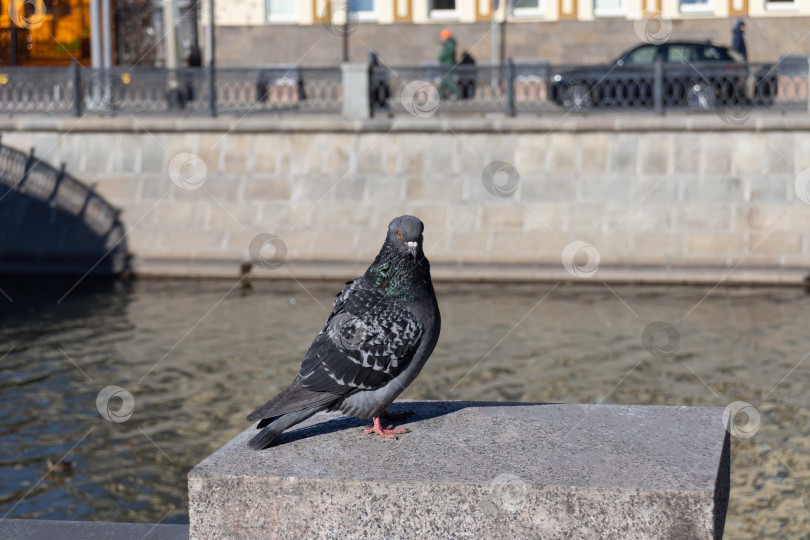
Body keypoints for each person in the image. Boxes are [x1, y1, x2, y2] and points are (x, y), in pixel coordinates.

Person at [438, 28, 460, 100]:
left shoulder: (448, 46)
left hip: (447, 65)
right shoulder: (450, 45)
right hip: (448, 65)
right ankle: (438, 94)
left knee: (447, 79)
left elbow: (441, 56)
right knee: (444, 80)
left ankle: (457, 94)